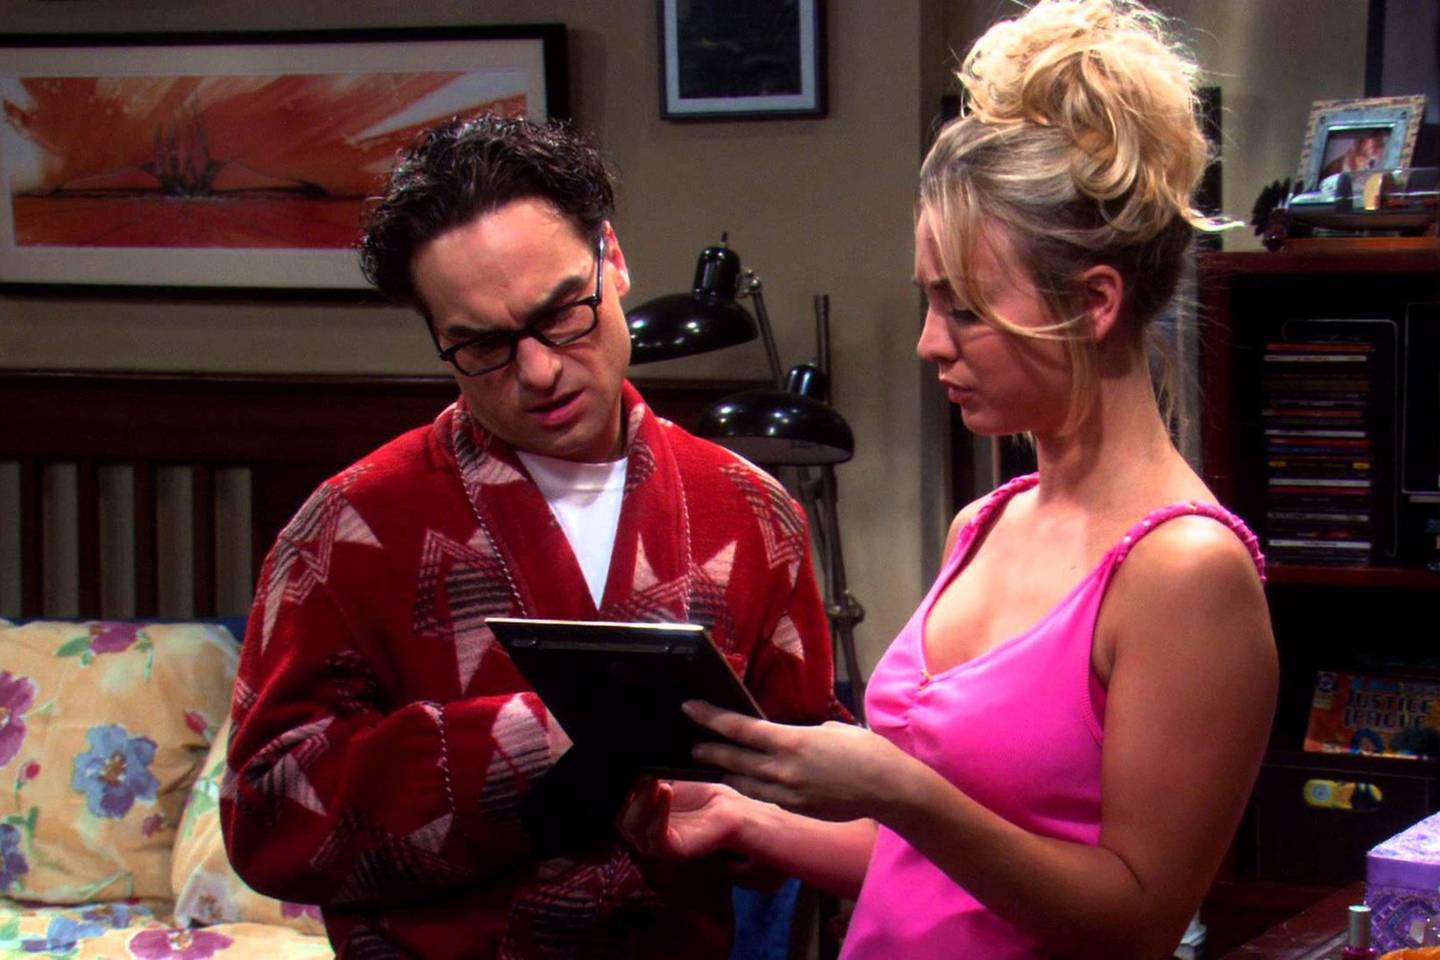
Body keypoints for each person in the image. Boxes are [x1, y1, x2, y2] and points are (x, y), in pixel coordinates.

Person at [622, 2, 1279, 958]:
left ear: (1094, 302)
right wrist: (746, 817)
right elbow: (933, 872)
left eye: (964, 309)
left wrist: (899, 790)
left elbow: (1138, 920)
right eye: (929, 303)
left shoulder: (1183, 570)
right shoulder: (984, 523)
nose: (931, 343)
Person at [220, 114, 842, 959]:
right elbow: (264, 816)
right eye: (483, 345)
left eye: (562, 315)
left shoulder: (753, 513)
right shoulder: (348, 528)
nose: (539, 371)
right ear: (439, 340)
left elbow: (811, 787)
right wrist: (531, 742)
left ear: (611, 259)